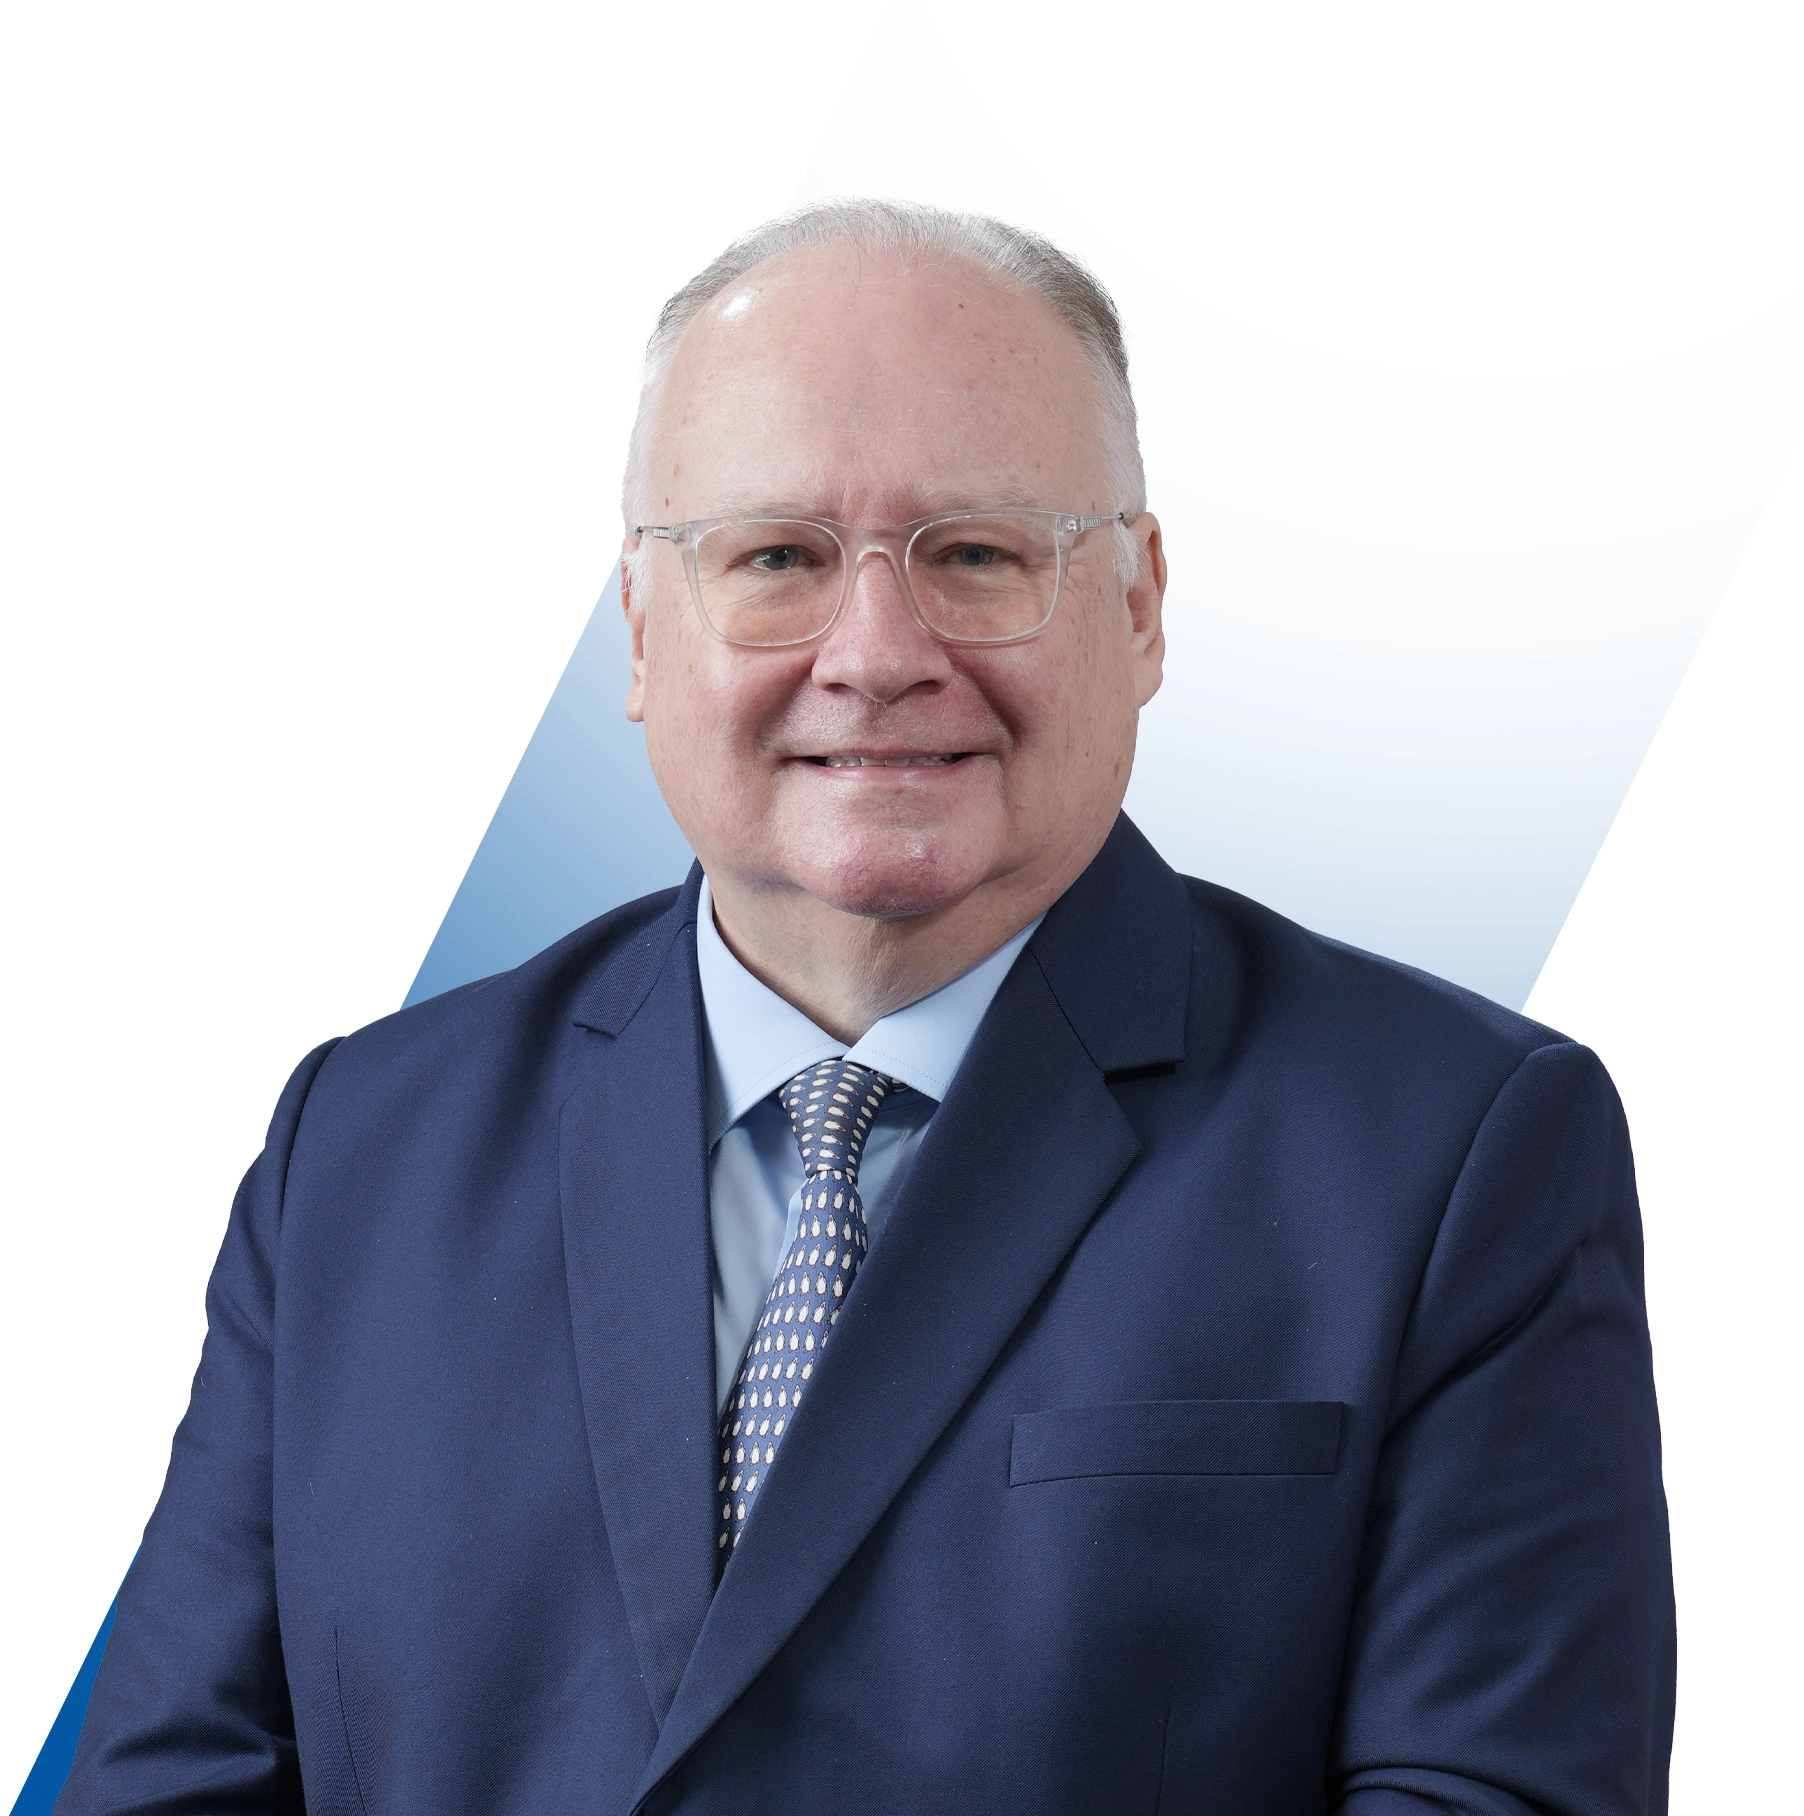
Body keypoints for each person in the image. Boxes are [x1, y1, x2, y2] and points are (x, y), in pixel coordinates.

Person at [58, 200, 1675, 1816]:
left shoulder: (1456, 1154)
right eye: (778, 558)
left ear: (1139, 606)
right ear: (642, 629)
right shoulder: (356, 1152)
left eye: (977, 553)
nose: (878, 652)